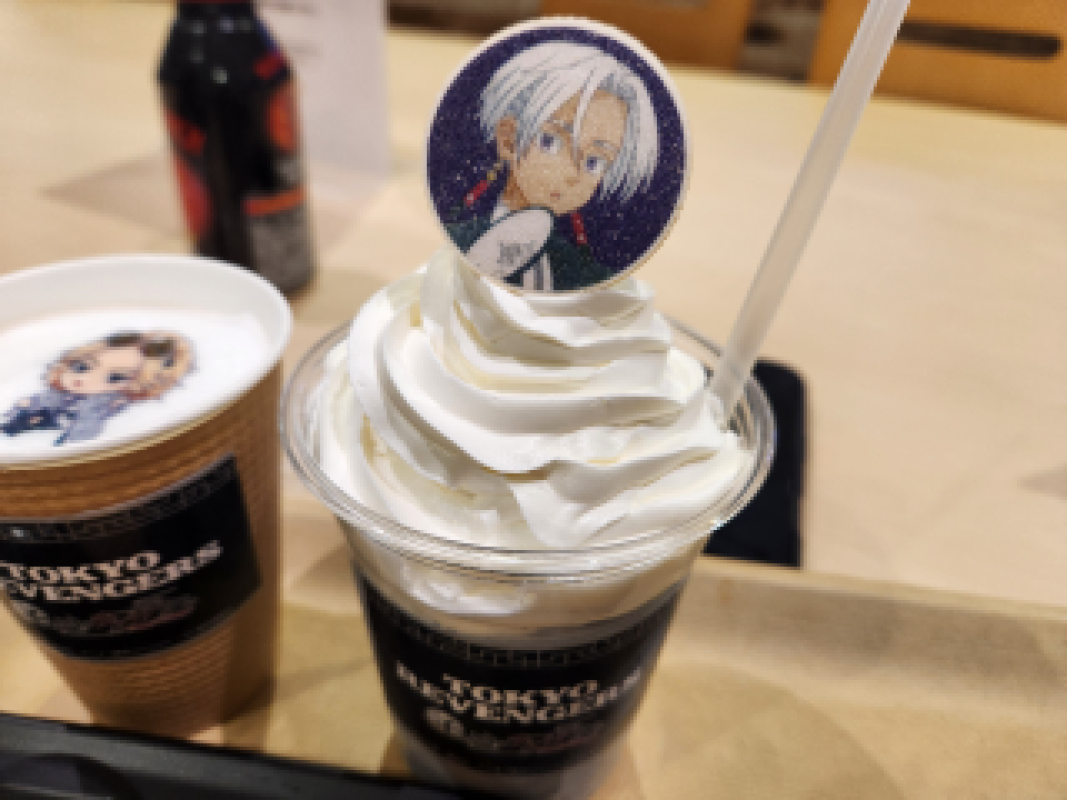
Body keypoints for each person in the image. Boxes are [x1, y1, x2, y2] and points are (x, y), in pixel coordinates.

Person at [446, 39, 660, 291]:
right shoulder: (459, 243)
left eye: (595, 162)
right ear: (508, 139)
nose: (572, 174)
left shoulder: (587, 275)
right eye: (550, 141)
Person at [0, 331, 194, 446]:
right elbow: (43, 401)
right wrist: (27, 406)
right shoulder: (56, 394)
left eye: (115, 377)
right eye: (81, 367)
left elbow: (86, 430)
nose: (85, 378)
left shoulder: (100, 403)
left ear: (137, 385)